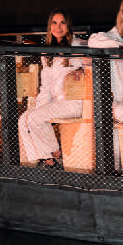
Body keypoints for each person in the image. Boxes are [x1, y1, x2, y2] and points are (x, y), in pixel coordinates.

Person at [18, 10, 86, 166]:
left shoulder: (78, 45)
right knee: (24, 119)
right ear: (49, 26)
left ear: (68, 26)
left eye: (62, 23)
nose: (58, 27)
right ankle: (52, 155)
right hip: (56, 103)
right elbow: (46, 86)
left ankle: (49, 158)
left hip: (74, 102)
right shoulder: (47, 51)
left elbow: (90, 65)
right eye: (54, 23)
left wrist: (82, 69)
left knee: (32, 118)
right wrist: (40, 108)